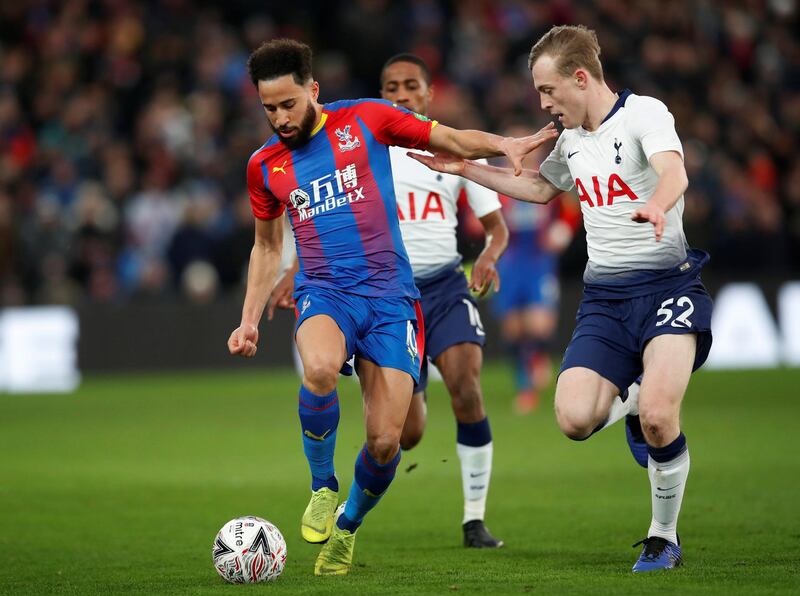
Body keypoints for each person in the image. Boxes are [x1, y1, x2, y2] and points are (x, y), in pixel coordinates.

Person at [227, 38, 557, 576]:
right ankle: (322, 487)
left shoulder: (366, 120)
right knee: (318, 369)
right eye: (269, 108)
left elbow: (448, 136)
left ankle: (348, 527)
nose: (280, 118)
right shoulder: (264, 166)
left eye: (289, 104)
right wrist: (247, 320)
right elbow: (266, 246)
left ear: (312, 90)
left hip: (390, 300)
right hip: (325, 292)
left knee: (388, 441)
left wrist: (503, 144)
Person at [410, 25, 713, 573]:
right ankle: (634, 401)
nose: (543, 103)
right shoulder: (570, 139)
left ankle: (662, 537)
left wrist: (659, 206)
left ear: (580, 77)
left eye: (548, 91)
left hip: (668, 287)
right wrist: (464, 169)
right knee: (573, 420)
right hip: (605, 300)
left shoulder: (645, 114)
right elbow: (540, 189)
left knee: (663, 419)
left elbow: (675, 171)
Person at [270, 53, 509, 549]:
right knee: (405, 436)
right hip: (378, 294)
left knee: (465, 383)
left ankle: (474, 519)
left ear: (428, 94)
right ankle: (347, 496)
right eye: (391, 86)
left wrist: (489, 255)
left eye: (410, 85)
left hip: (443, 287)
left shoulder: (450, 150)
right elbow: (320, 216)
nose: (401, 95)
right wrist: (295, 270)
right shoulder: (364, 146)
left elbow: (496, 227)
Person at [488, 133, 579, 414]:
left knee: (539, 326)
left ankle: (531, 377)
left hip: (539, 261)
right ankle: (524, 381)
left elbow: (572, 208)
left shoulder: (546, 181)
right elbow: (476, 218)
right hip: (509, 261)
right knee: (513, 330)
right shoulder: (497, 185)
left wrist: (563, 230)